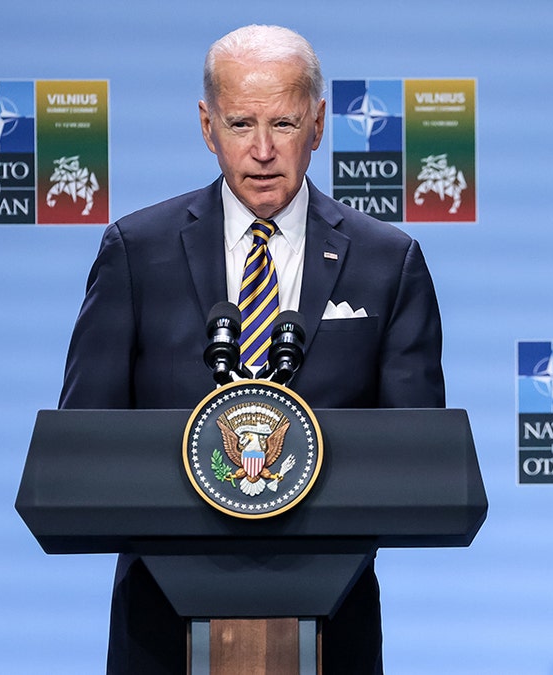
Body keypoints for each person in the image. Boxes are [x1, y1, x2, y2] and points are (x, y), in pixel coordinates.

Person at [58, 25, 444, 675]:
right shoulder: (137, 251)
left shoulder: (388, 262)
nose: (262, 150)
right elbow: (85, 445)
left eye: (284, 123)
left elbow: (417, 457)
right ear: (207, 127)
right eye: (240, 124)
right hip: (160, 628)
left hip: (331, 625)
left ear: (318, 124)